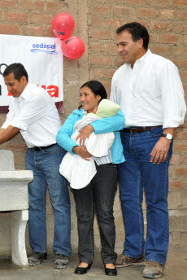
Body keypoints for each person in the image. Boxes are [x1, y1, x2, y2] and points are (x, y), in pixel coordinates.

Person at [0, 63, 71, 268]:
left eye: (11, 84)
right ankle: (38, 251)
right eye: (6, 85)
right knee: (35, 204)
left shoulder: (37, 96)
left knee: (59, 203)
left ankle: (62, 252)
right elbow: (8, 122)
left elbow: (15, 127)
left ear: (23, 80)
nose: (9, 89)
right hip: (33, 155)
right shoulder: (18, 99)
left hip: (53, 152)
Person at [111, 22, 186, 279]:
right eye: (117, 45)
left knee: (155, 200)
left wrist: (166, 137)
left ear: (140, 42)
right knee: (129, 199)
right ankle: (134, 250)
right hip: (125, 139)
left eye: (124, 44)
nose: (119, 49)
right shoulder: (119, 74)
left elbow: (175, 104)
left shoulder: (163, 67)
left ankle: (155, 256)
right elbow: (114, 113)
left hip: (154, 138)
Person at [57, 80, 125, 276]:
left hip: (105, 168)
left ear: (98, 97)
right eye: (80, 95)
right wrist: (76, 148)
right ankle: (85, 258)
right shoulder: (77, 115)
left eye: (86, 95)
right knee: (84, 215)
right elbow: (61, 135)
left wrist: (93, 127)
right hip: (81, 166)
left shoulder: (112, 112)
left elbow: (120, 122)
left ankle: (109, 259)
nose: (82, 99)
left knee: (105, 213)